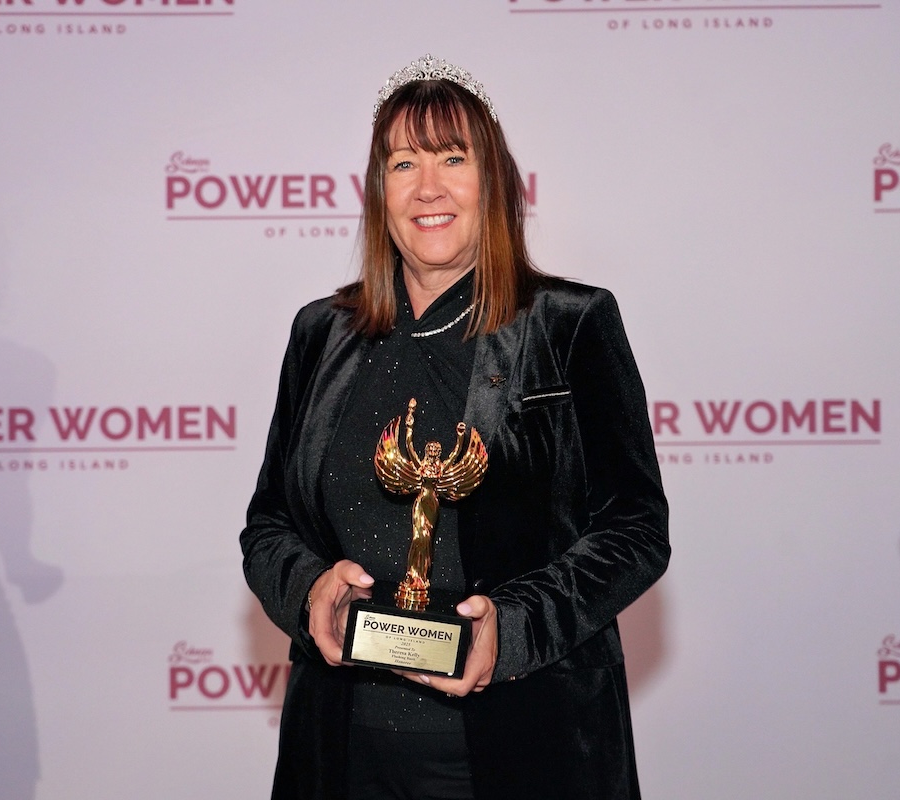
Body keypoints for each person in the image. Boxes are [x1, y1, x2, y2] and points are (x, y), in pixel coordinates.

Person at [241, 54, 670, 800]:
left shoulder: (569, 324)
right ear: (378, 191)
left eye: (452, 158)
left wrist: (516, 627)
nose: (428, 187)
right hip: (340, 753)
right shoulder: (321, 332)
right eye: (403, 163)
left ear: (492, 182)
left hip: (528, 749)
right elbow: (269, 523)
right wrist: (309, 590)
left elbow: (635, 530)